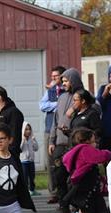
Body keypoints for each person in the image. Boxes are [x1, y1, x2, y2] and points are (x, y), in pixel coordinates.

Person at [48, 68, 85, 213]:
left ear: (74, 81)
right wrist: (52, 140)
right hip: (60, 143)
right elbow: (55, 121)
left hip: (74, 144)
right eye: (62, 81)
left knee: (74, 177)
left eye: (66, 81)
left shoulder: (82, 96)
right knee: (59, 175)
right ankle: (63, 206)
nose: (63, 84)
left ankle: (76, 207)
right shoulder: (62, 97)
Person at [39, 66, 66, 203]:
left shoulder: (68, 89)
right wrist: (57, 104)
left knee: (63, 161)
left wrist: (55, 105)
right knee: (50, 162)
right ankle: (53, 191)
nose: (53, 79)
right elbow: (42, 106)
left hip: (63, 130)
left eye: (56, 76)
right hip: (49, 129)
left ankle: (64, 190)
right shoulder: (50, 91)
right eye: (52, 76)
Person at [19, 121, 39, 196]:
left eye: (29, 129)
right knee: (24, 177)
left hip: (31, 161)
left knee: (32, 176)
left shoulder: (31, 139)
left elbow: (36, 148)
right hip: (23, 161)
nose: (28, 131)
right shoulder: (21, 139)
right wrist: (23, 141)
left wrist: (34, 140)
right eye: (26, 129)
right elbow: (20, 149)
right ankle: (25, 190)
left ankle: (32, 189)